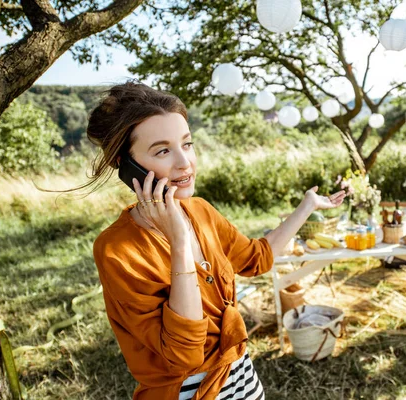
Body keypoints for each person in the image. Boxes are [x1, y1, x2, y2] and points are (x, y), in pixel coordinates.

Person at [87, 81, 346, 400]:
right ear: (126, 165)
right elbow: (184, 355)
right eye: (163, 150)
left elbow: (257, 259)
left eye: (187, 144)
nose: (185, 163)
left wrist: (307, 206)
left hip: (242, 379)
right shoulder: (117, 249)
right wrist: (179, 242)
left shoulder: (202, 211)